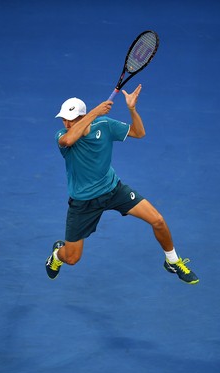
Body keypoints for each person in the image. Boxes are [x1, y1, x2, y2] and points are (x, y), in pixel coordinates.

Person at [46, 84, 199, 284]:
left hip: (113, 190)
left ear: (82, 118)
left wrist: (132, 109)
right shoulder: (62, 137)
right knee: (72, 258)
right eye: (64, 119)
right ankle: (57, 255)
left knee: (158, 220)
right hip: (83, 203)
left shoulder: (105, 125)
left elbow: (139, 132)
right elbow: (68, 140)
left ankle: (172, 261)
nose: (66, 123)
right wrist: (94, 112)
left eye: (71, 119)